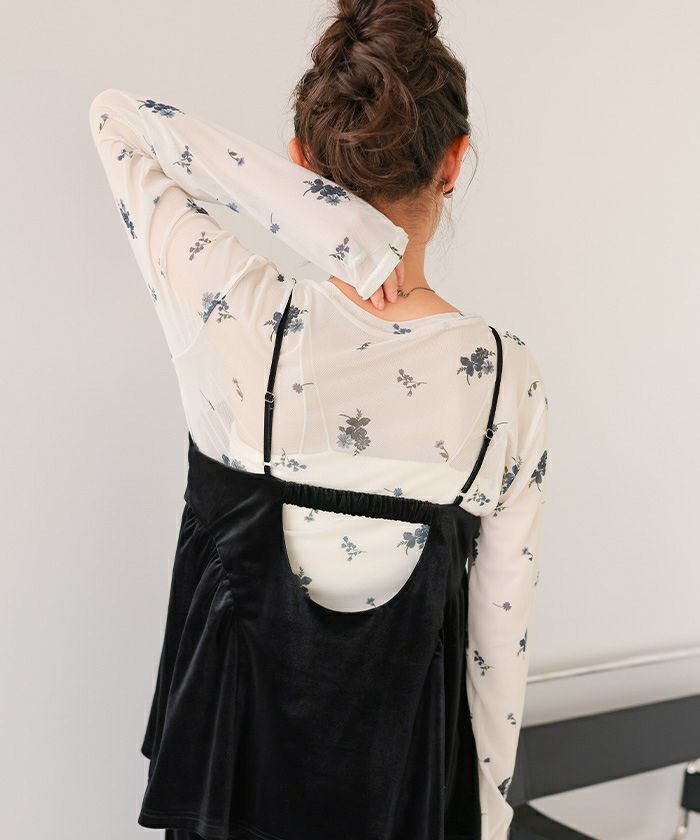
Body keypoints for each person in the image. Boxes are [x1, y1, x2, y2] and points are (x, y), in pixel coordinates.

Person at [88, 2, 549, 838]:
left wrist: (325, 222)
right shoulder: (505, 380)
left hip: (230, 789)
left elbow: (117, 120)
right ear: (454, 162)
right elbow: (497, 642)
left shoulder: (238, 317)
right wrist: (486, 819)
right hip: (401, 797)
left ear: (299, 163)